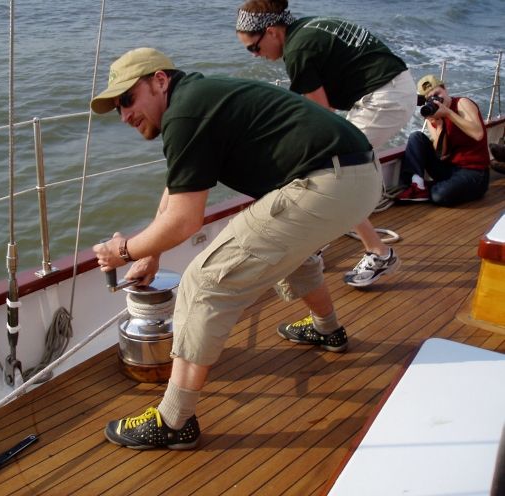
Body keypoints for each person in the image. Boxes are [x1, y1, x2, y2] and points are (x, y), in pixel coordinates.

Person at [90, 47, 382, 449]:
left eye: (127, 100)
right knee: (290, 252)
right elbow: (176, 191)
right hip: (357, 174)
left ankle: (173, 421)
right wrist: (149, 253)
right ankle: (328, 331)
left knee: (205, 281)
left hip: (328, 180)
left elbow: (184, 220)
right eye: (117, 108)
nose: (124, 115)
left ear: (159, 80)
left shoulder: (185, 111)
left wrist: (121, 251)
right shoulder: (196, 99)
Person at [234, 0, 417, 348]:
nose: (255, 55)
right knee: (338, 173)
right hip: (393, 88)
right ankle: (368, 249)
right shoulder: (310, 27)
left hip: (383, 98)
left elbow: (322, 116)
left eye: (254, 48)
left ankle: (374, 253)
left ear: (272, 32)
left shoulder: (298, 51)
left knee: (336, 172)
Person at [397, 74, 490, 205]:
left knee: (438, 195)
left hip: (474, 171)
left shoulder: (462, 103)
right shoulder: (433, 115)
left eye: (437, 94)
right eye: (430, 99)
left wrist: (448, 113)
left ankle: (431, 188)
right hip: (450, 168)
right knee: (416, 137)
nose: (435, 100)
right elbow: (442, 154)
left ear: (445, 89)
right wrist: (439, 127)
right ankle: (417, 186)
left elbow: (478, 134)